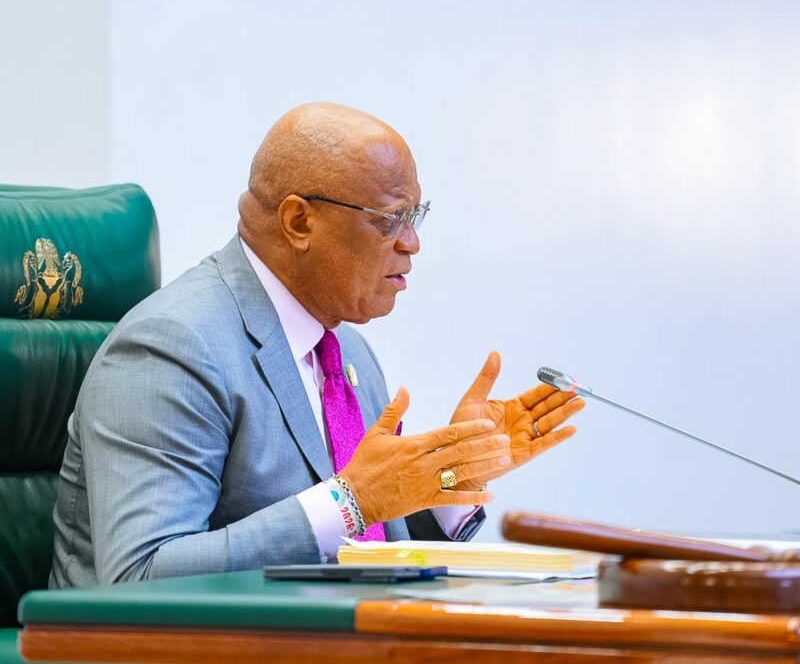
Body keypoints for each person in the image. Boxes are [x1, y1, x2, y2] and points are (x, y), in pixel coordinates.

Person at [49, 102, 585, 587]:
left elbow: (365, 547)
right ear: (299, 221)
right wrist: (351, 500)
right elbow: (142, 576)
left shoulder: (348, 354)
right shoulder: (173, 346)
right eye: (390, 219)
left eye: (416, 216)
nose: (412, 243)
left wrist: (449, 477)